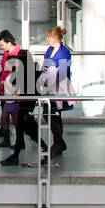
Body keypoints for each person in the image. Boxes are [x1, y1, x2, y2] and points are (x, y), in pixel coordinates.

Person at [0, 30, 39, 167]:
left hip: (20, 103)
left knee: (22, 128)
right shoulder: (25, 70)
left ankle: (17, 154)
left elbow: (18, 87)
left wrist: (6, 85)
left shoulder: (21, 70)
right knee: (22, 129)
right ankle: (17, 154)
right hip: (20, 102)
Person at [37, 26, 71, 157]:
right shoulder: (50, 50)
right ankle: (58, 142)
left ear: (55, 38)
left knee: (53, 114)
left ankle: (58, 143)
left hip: (57, 88)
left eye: (49, 37)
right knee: (49, 114)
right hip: (47, 86)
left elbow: (63, 73)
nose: (47, 39)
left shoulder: (64, 53)